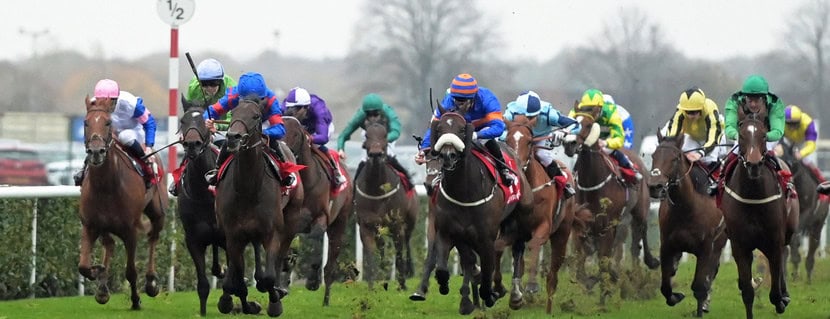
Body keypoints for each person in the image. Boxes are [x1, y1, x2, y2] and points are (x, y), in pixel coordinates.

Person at [415, 73, 515, 185]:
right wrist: (424, 149)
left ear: (473, 98)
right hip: (459, 129)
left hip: (481, 130)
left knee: (487, 140)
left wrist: (477, 135)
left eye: (463, 101)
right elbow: (433, 127)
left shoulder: (488, 100)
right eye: (456, 99)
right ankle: (439, 174)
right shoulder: (448, 101)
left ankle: (503, 169)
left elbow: (498, 128)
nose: (458, 104)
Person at [202, 72, 294, 187]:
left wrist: (262, 133)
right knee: (229, 139)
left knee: (274, 142)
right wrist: (207, 120)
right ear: (240, 97)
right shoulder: (233, 95)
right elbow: (211, 111)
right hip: (241, 125)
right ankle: (217, 170)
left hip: (261, 125)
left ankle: (285, 171)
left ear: (263, 98)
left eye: (256, 101)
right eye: (246, 101)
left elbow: (280, 129)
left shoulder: (270, 99)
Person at [170, 58, 237, 196]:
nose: (209, 88)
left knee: (228, 145)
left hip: (224, 123)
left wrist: (216, 126)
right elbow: (190, 113)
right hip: (203, 124)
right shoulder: (194, 87)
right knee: (191, 145)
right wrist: (188, 131)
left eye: (213, 84)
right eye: (205, 84)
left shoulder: (231, 88)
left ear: (221, 81)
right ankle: (180, 177)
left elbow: (232, 118)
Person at [74, 79, 158, 188]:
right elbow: (91, 124)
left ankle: (147, 167)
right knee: (100, 141)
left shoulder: (131, 104)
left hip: (134, 130)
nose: (107, 105)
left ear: (116, 99)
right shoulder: (93, 104)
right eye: (102, 100)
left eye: (111, 101)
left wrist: (149, 146)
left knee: (125, 137)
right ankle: (84, 169)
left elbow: (149, 122)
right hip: (112, 130)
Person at [715, 74, 788, 194]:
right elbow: (729, 128)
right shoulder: (734, 102)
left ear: (764, 98)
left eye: (757, 100)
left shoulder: (774, 104)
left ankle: (786, 184)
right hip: (744, 136)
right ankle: (720, 181)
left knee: (770, 153)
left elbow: (778, 131)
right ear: (745, 97)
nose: (753, 104)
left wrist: (763, 137)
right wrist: (739, 137)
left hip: (765, 136)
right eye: (750, 100)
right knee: (732, 155)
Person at [502, 90, 580, 198]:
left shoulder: (549, 114)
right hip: (520, 139)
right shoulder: (510, 112)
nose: (528, 122)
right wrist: (508, 136)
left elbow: (576, 125)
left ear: (538, 113)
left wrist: (563, 132)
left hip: (540, 138)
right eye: (525, 117)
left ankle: (563, 183)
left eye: (532, 118)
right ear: (518, 113)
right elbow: (499, 129)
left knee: (542, 155)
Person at [336, 93, 412, 188]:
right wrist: (340, 149)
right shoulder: (360, 116)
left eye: (375, 114)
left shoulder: (388, 113)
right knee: (363, 162)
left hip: (386, 136)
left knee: (390, 158)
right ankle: (355, 189)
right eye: (369, 115)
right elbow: (343, 135)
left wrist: (382, 140)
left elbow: (396, 132)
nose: (372, 118)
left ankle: (409, 184)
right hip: (369, 137)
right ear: (365, 113)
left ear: (380, 111)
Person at [569, 88, 643, 183]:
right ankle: (573, 175)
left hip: (616, 131)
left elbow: (619, 140)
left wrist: (606, 143)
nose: (590, 113)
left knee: (610, 150)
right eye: (586, 109)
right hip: (595, 133)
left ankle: (631, 169)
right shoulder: (577, 110)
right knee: (582, 150)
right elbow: (567, 126)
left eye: (593, 109)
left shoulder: (611, 112)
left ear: (601, 108)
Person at [282, 86, 346, 185]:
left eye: (297, 109)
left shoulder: (319, 109)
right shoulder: (285, 107)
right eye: (290, 108)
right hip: (301, 125)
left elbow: (323, 137)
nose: (293, 112)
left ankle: (335, 169)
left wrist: (310, 138)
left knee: (315, 145)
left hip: (320, 128)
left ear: (306, 107)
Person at [662, 87, 725, 171]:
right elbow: (672, 135)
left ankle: (718, 176)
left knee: (708, 159)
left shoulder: (710, 109)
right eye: (687, 112)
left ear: (701, 108)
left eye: (694, 112)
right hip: (693, 136)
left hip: (715, 137)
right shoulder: (680, 111)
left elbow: (712, 138)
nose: (690, 116)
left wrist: (700, 153)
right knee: (684, 154)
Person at [780, 105, 827, 189]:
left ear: (800, 120)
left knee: (808, 161)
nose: (792, 127)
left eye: (794, 124)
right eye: (789, 124)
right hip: (788, 140)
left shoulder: (808, 123)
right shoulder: (781, 122)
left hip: (803, 142)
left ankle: (823, 185)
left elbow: (811, 145)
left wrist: (801, 153)